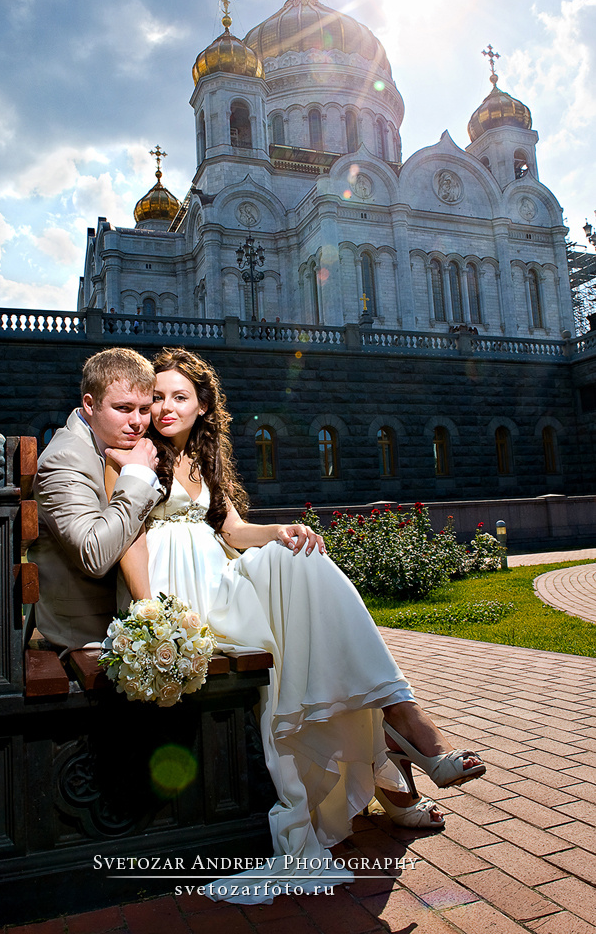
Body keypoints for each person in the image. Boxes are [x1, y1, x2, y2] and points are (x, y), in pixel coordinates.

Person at [106, 348, 486, 903]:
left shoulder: (205, 460)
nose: (164, 407)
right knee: (300, 625)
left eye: (178, 396)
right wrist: (151, 612)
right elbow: (129, 536)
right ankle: (400, 736)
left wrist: (283, 531)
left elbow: (232, 532)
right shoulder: (132, 452)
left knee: (301, 558)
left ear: (203, 405)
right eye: (156, 396)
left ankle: (398, 714)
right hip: (174, 594)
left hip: (219, 581)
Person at [30, 348, 162, 655]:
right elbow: (94, 555)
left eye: (144, 409)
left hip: (118, 612)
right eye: (123, 408)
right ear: (89, 404)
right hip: (87, 632)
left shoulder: (118, 443)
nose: (137, 422)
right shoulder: (65, 459)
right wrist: (139, 476)